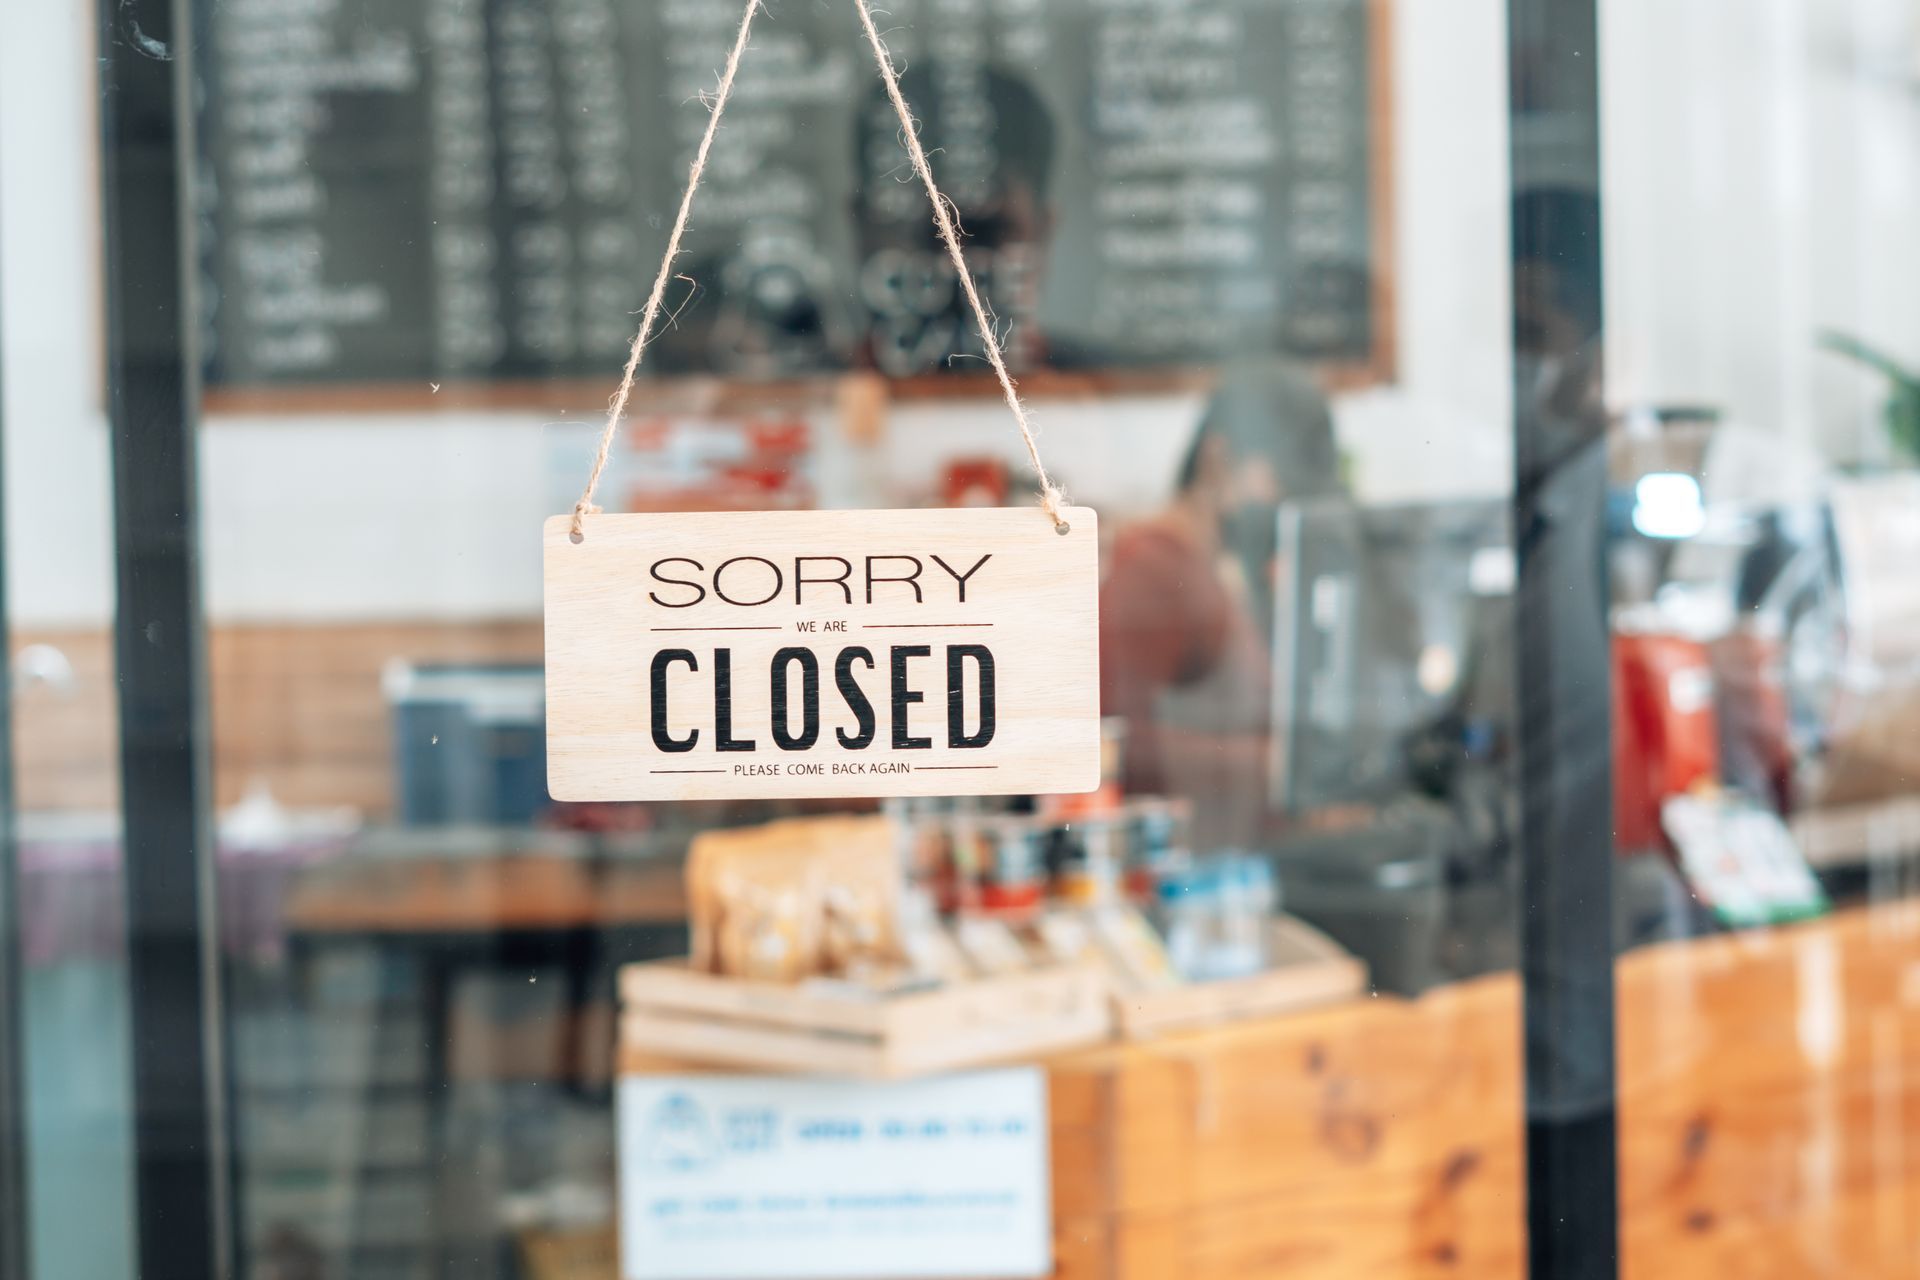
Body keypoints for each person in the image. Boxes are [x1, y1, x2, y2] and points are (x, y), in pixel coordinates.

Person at [1099, 362, 1343, 850]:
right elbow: (1109, 742)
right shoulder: (1156, 568)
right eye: (1279, 483)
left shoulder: (1215, 566)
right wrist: (1276, 766)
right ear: (1217, 458)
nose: (1281, 505)